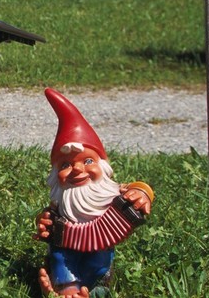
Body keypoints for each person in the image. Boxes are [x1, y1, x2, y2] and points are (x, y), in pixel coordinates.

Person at [34, 88, 154, 297]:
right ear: (55, 174)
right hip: (65, 248)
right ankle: (66, 289)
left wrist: (142, 193)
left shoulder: (111, 193)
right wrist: (43, 222)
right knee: (60, 256)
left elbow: (137, 187)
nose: (78, 169)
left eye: (88, 161)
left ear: (103, 166)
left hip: (99, 253)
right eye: (65, 165)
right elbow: (47, 218)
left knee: (99, 262)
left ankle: (92, 289)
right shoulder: (62, 202)